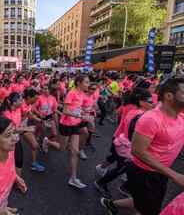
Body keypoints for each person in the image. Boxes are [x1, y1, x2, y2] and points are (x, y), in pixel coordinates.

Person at [101, 78, 184, 215]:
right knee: (151, 209)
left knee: (146, 201)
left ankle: (112, 204)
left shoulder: (179, 115)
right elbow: (138, 151)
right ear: (169, 96)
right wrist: (174, 175)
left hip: (161, 171)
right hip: (144, 172)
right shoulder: (151, 119)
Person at [95, 89, 154, 198]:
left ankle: (124, 186)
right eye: (150, 102)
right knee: (121, 168)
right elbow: (133, 133)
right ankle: (101, 183)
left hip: (124, 142)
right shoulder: (141, 115)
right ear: (141, 102)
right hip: (127, 145)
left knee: (119, 159)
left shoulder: (135, 110)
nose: (153, 104)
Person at [42, 74, 94, 189]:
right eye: (86, 82)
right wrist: (82, 117)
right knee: (62, 148)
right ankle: (47, 141)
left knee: (74, 152)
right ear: (79, 83)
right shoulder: (72, 93)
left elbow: (77, 108)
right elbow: (65, 111)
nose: (88, 85)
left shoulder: (81, 94)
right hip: (66, 124)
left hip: (75, 124)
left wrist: (85, 113)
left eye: (88, 82)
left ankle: (73, 178)